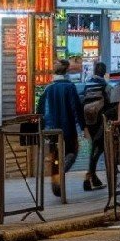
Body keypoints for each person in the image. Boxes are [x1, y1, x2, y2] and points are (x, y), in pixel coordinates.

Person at [40, 60, 83, 197]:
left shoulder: (48, 88)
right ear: (67, 72)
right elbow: (76, 107)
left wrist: (42, 127)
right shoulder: (70, 87)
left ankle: (55, 179)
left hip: (50, 128)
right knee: (72, 152)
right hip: (67, 128)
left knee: (54, 155)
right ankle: (60, 172)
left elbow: (40, 108)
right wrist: (83, 126)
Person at [80, 62, 112, 191]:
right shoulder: (105, 85)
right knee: (99, 147)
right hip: (100, 119)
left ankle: (92, 178)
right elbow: (109, 103)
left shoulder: (88, 83)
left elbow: (82, 98)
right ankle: (90, 176)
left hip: (88, 119)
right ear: (104, 72)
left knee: (94, 146)